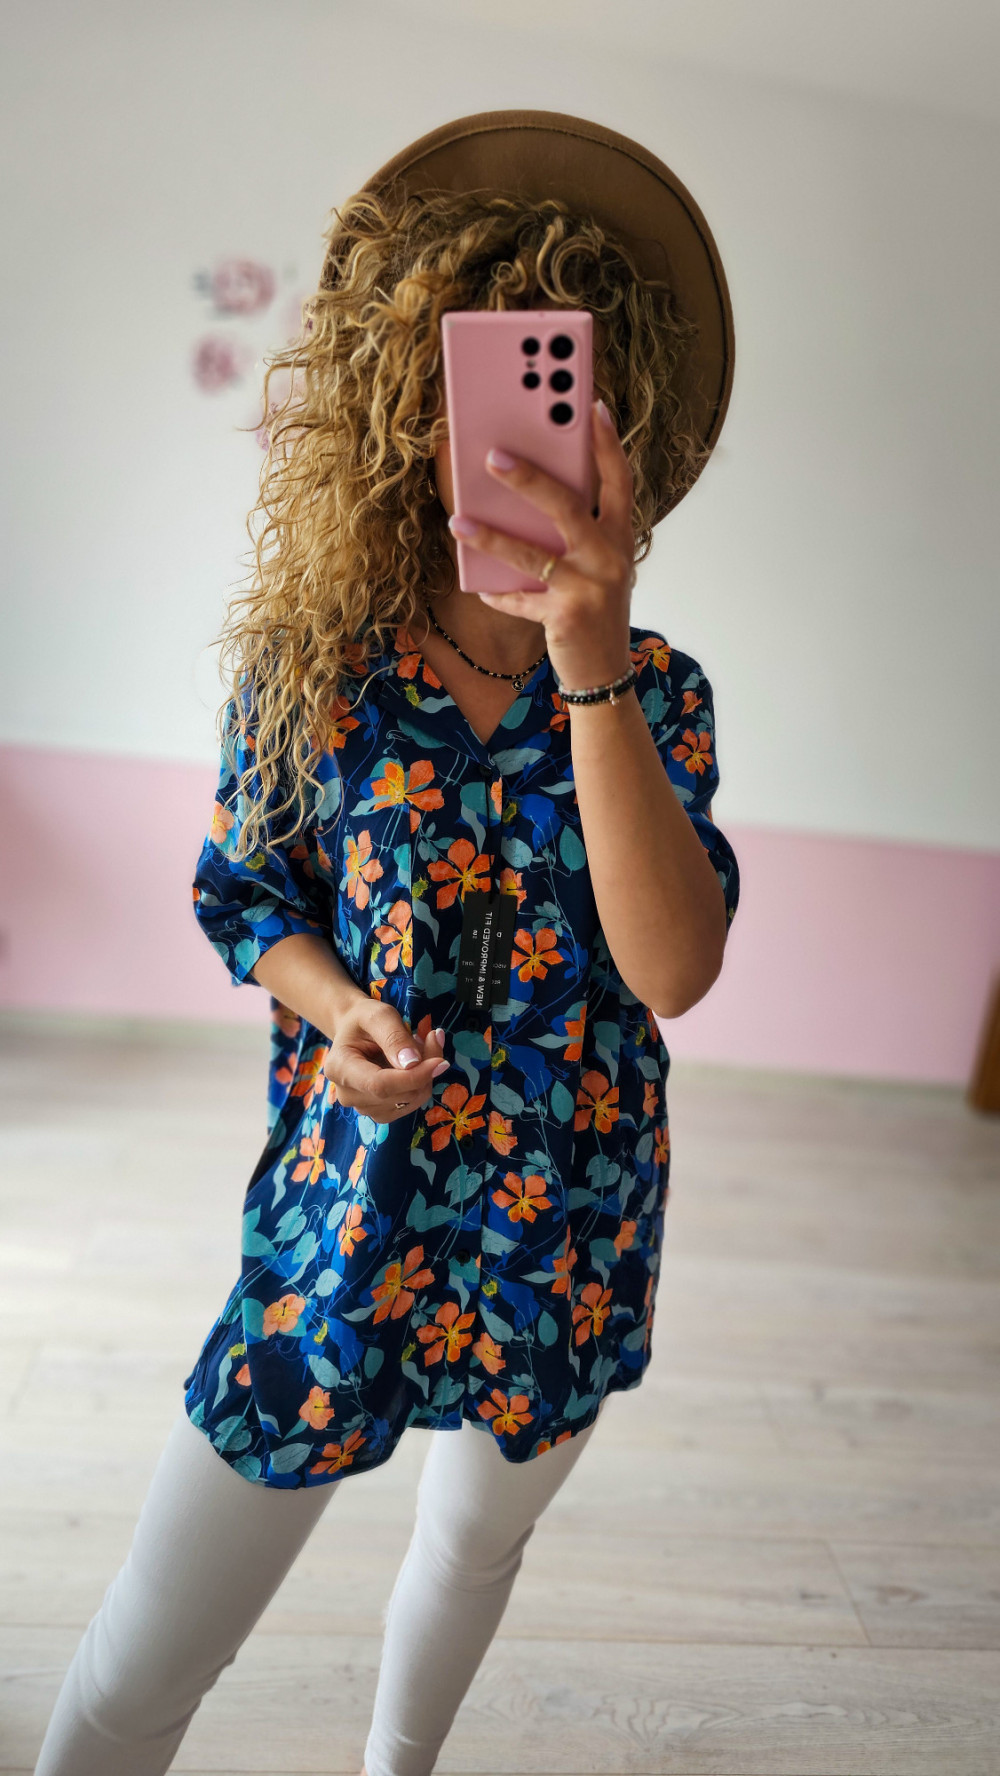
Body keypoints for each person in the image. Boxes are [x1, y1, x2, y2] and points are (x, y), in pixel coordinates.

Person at [34, 109, 740, 1776]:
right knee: (146, 1654)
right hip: (342, 1213)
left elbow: (673, 972)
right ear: (407, 408)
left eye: (566, 391)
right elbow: (246, 896)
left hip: (562, 1218)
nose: (520, 439)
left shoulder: (659, 693)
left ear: (623, 421)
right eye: (484, 389)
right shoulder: (317, 669)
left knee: (473, 1546)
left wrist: (588, 661)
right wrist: (334, 1005)